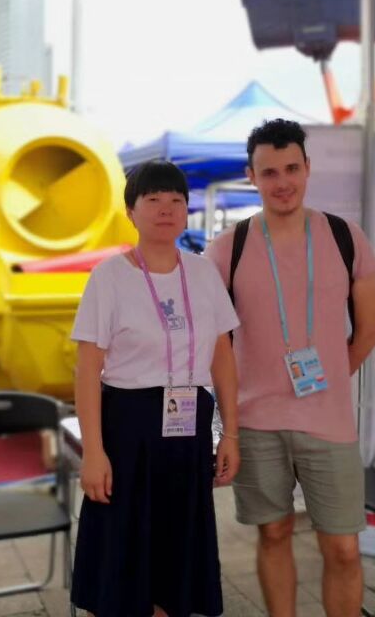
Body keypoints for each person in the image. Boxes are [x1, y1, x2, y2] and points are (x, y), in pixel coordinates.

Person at [205, 119, 375, 617]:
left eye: (291, 168)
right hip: (256, 422)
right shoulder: (228, 247)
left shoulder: (345, 237)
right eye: (269, 172)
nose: (282, 182)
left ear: (307, 168)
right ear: (251, 176)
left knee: (343, 548)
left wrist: (327, 382)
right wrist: (228, 425)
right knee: (275, 533)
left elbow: (367, 331)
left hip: (330, 422)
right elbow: (216, 345)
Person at [70, 159, 241, 617]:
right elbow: (87, 370)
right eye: (153, 200)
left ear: (187, 210)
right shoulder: (109, 277)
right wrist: (92, 452)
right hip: (127, 428)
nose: (166, 209)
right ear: (131, 211)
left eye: (176, 200)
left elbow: (223, 357)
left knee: (175, 551)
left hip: (188, 428)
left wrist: (231, 434)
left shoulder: (203, 273)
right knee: (120, 551)